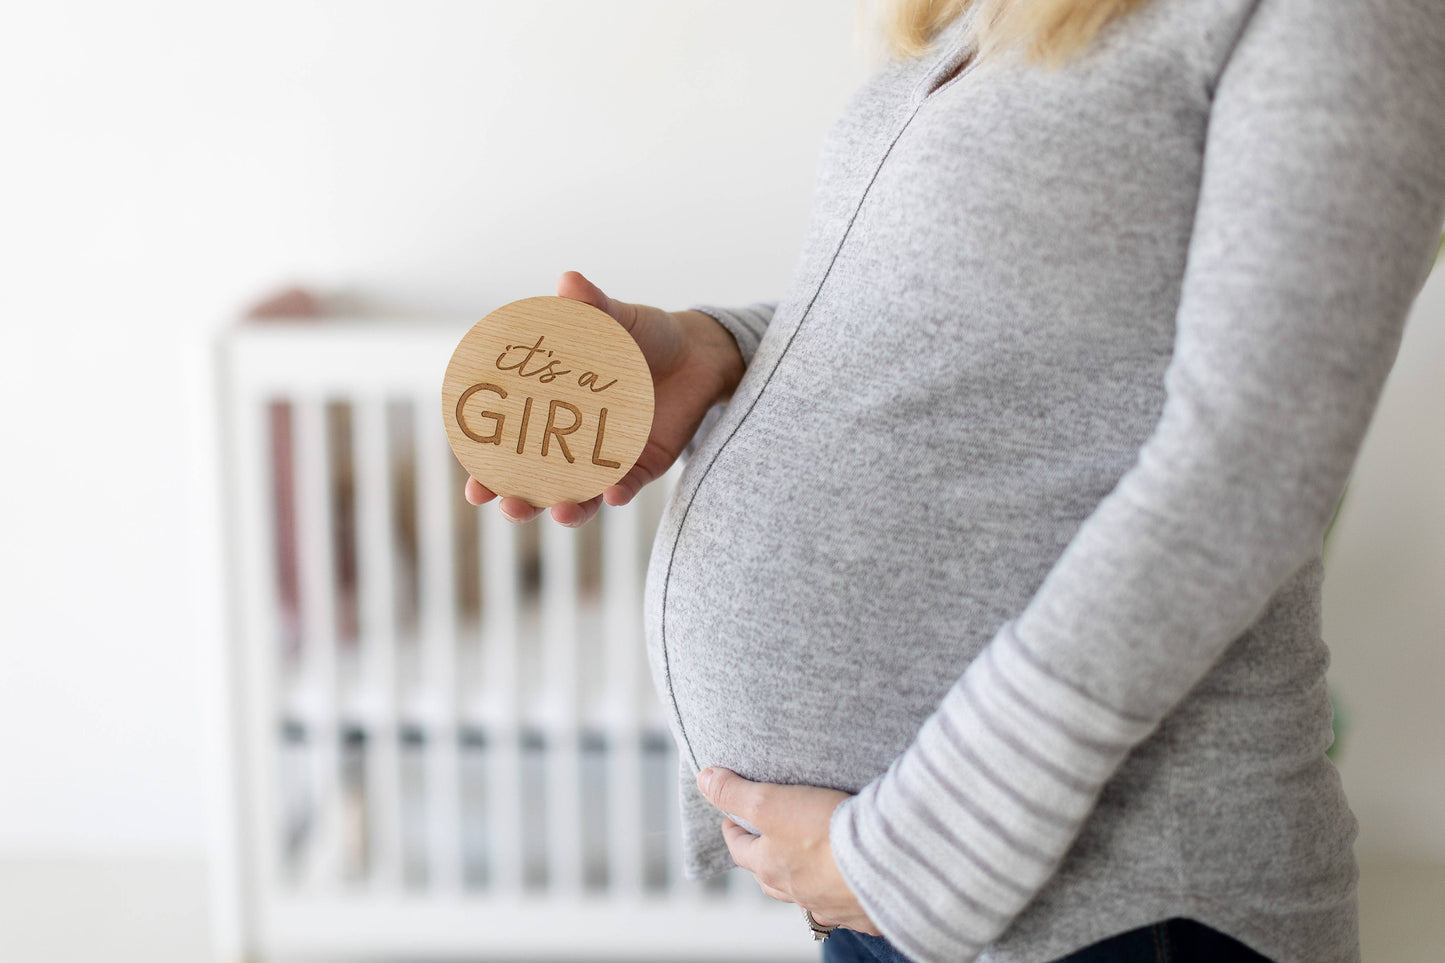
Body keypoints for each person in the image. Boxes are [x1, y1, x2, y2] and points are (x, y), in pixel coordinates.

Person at [464, 0, 1445, 960]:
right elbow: (985, 326)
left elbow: (1247, 470)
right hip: (915, 892)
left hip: (1107, 905)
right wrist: (715, 348)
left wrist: (925, 850)